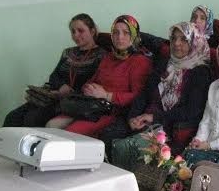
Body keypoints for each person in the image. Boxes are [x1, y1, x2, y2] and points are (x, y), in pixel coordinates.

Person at [108, 22, 212, 168]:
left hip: (168, 125)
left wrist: (154, 117)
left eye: (183, 39)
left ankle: (127, 187)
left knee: (124, 147)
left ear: (194, 42)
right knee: (109, 135)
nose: (176, 44)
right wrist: (133, 116)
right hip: (146, 118)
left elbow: (191, 111)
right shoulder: (166, 63)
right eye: (174, 38)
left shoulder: (200, 72)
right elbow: (144, 93)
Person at [54, 15, 152, 145]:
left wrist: (107, 95)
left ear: (134, 35)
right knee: (52, 126)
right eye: (115, 32)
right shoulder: (109, 56)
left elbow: (139, 96)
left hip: (111, 111)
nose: (119, 37)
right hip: (92, 105)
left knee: (68, 135)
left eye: (126, 33)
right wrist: (88, 88)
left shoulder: (140, 61)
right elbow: (93, 80)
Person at [3, 14, 106, 127]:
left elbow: (95, 81)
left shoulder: (101, 55)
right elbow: (54, 76)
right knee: (12, 117)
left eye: (80, 31)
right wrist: (61, 87)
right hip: (54, 96)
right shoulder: (68, 53)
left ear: (92, 31)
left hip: (75, 101)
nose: (76, 35)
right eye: (73, 31)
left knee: (32, 118)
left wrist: (70, 91)